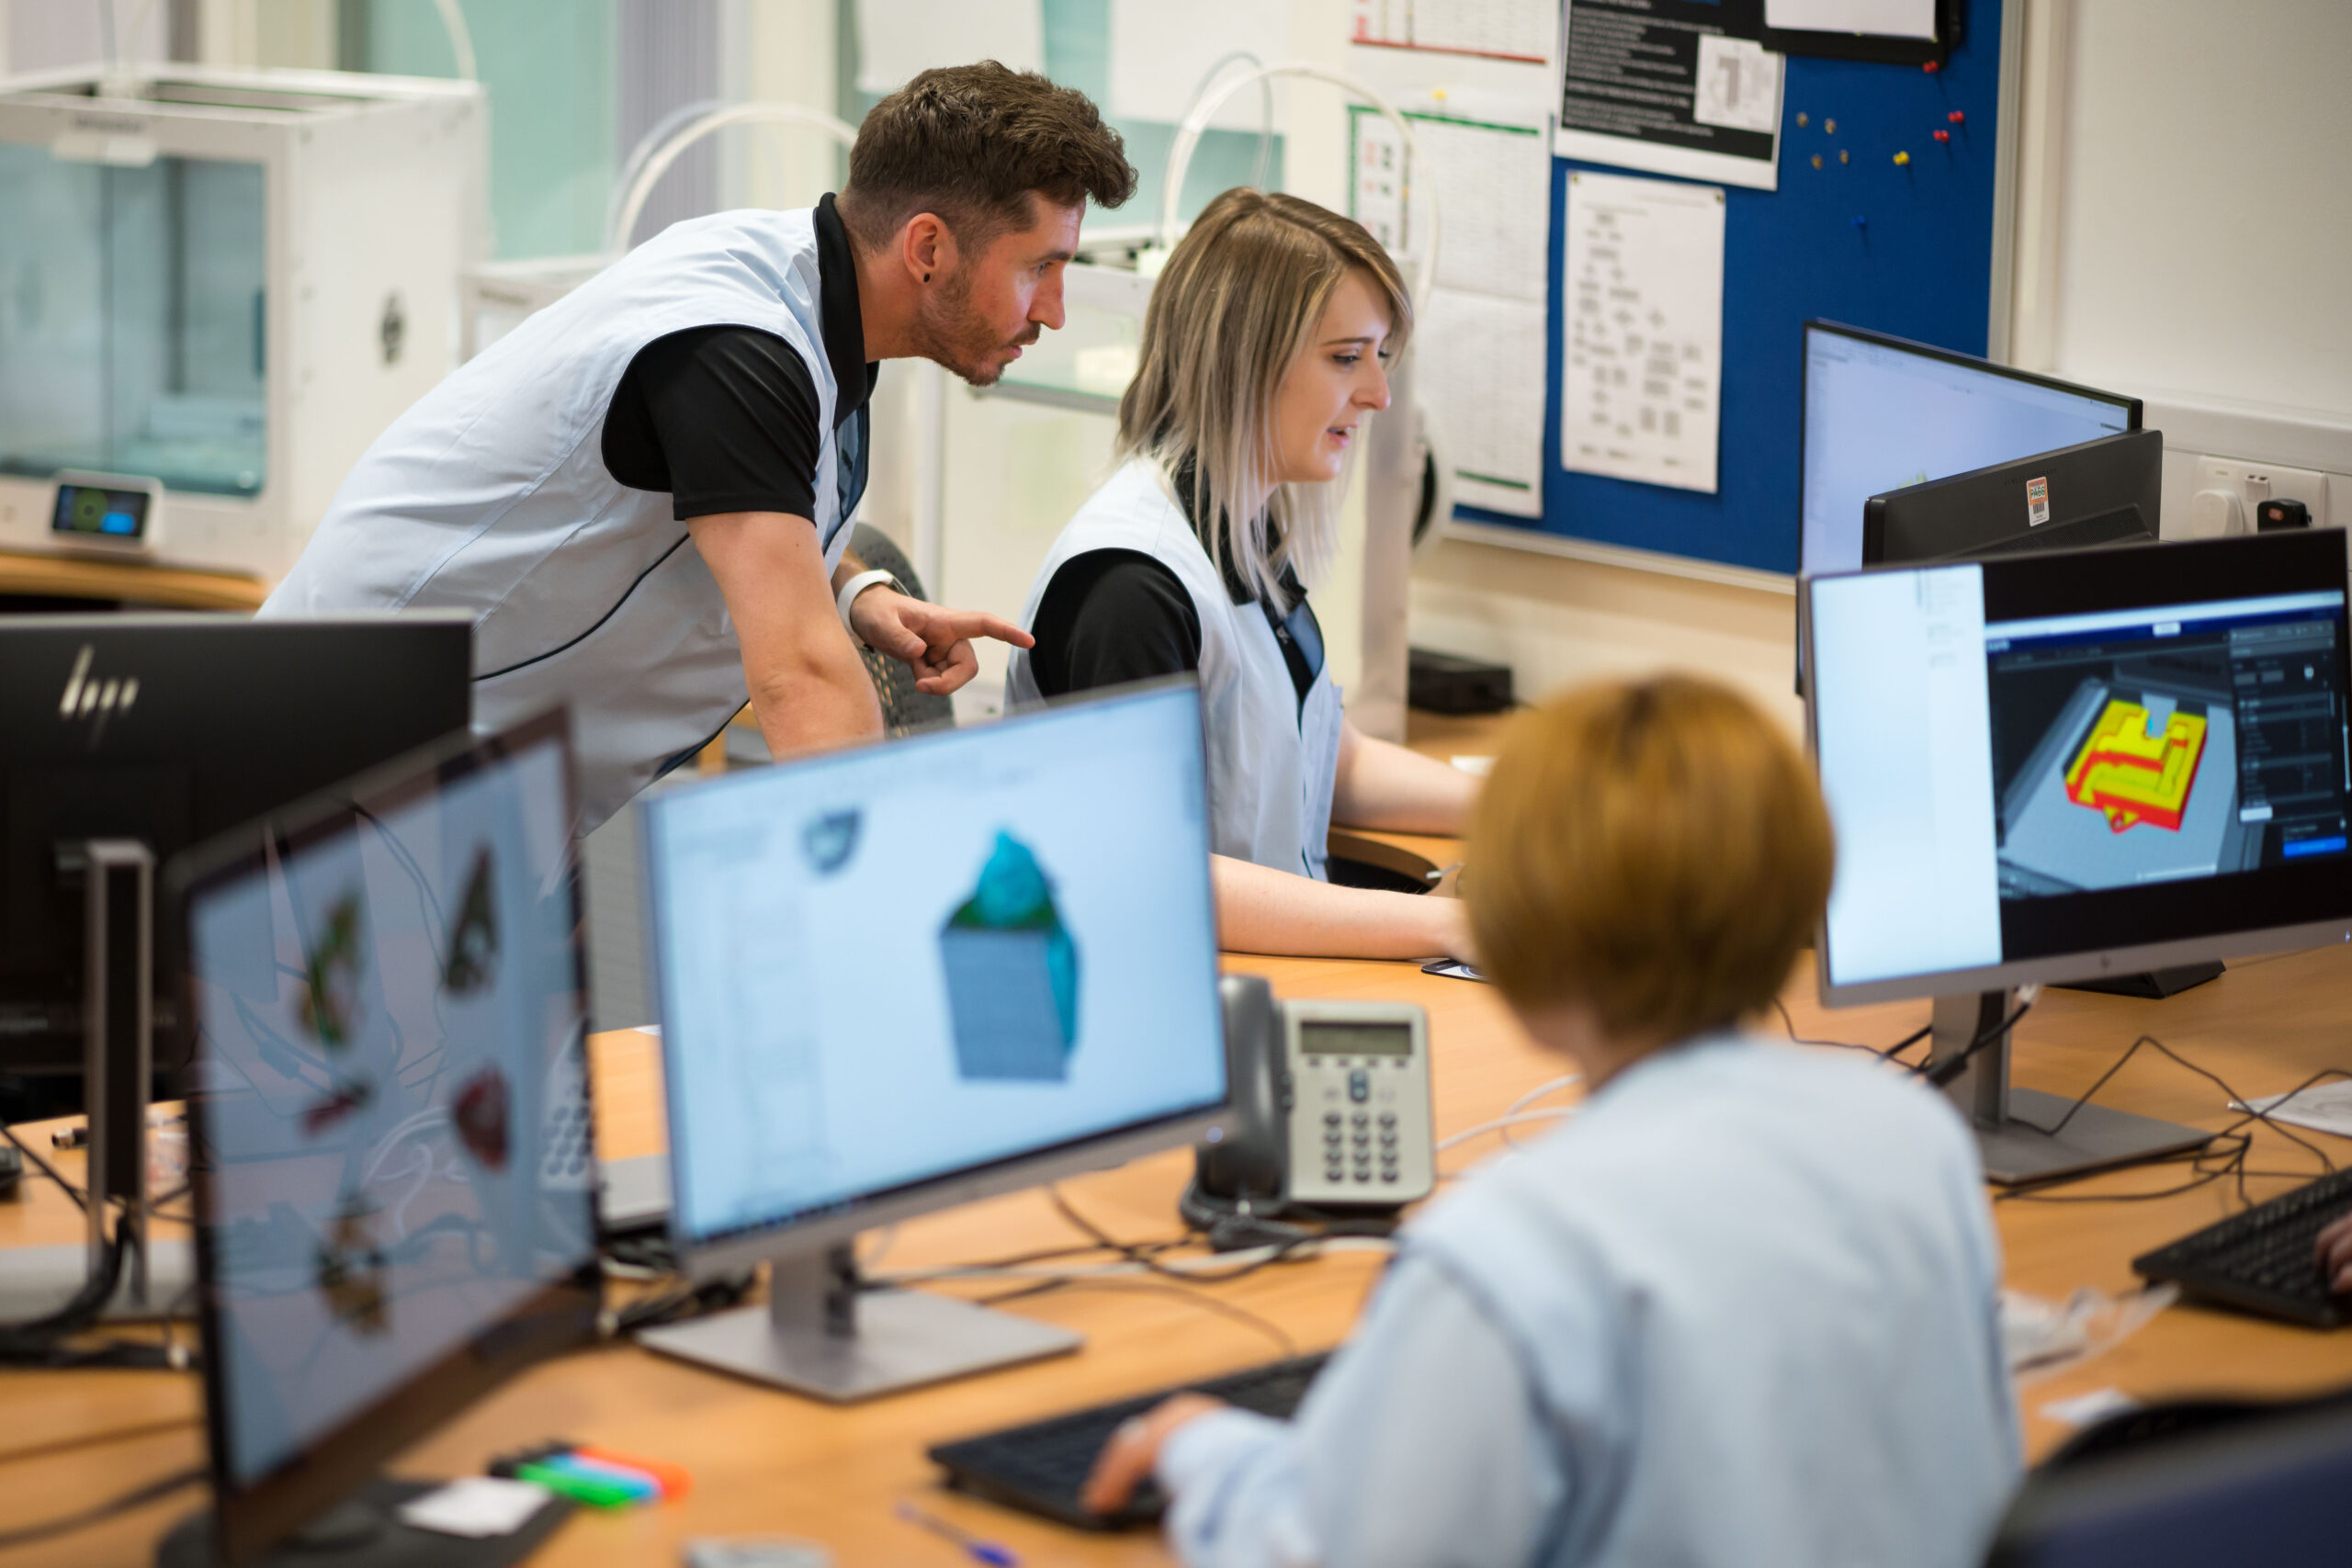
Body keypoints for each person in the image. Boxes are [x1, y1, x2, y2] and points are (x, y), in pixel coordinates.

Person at [1083, 674, 2021, 1568]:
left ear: (1518, 938)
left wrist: (1208, 1454)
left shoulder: (1507, 1253)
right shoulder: (1914, 1141)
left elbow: (1338, 1549)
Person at [264, 63, 1136, 832]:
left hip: (460, 772)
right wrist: (897, 899)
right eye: (1039, 268)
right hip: (340, 762)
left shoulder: (810, 300)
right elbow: (801, 680)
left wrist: (851, 588)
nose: (1055, 312)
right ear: (929, 248)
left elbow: (746, 500)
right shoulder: (739, 345)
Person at [1003, 189, 1476, 961]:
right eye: (1346, 357)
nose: (1378, 394)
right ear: (1244, 362)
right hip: (1175, 987)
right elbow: (1153, 871)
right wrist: (1445, 924)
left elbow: (1326, 757)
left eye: (1380, 357)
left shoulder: (1242, 522)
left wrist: (1527, 811)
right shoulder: (1130, 586)